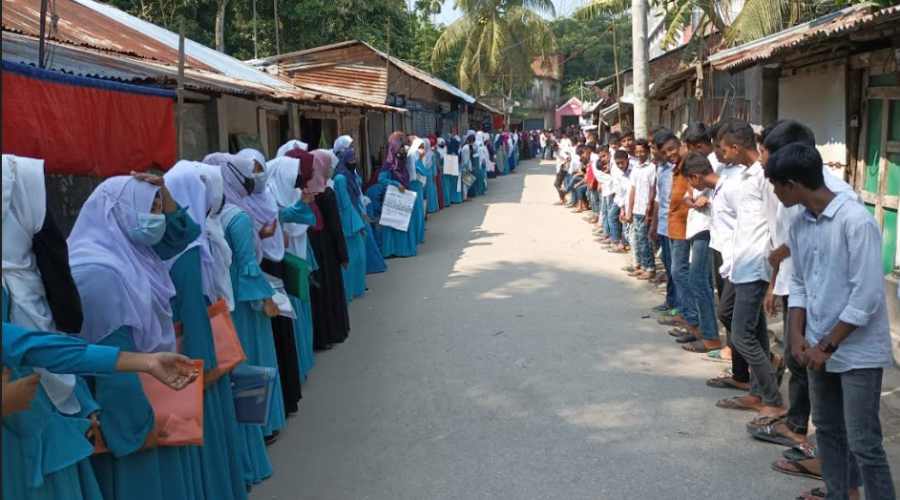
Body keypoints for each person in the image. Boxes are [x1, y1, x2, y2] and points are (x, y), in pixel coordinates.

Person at [767, 143, 896, 500]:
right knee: (827, 432)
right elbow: (802, 284)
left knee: (863, 443)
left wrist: (826, 345)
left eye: (777, 187)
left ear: (793, 184)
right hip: (817, 348)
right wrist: (796, 337)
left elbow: (866, 297)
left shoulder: (855, 222)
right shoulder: (799, 223)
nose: (776, 195)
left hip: (857, 353)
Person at [67, 173, 204, 500]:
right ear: (118, 212)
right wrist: (138, 429)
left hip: (150, 393)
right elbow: (114, 367)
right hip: (127, 417)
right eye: (148, 205)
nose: (156, 214)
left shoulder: (135, 256)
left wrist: (164, 192)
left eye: (159, 205)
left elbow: (183, 234)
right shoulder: (99, 272)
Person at [163, 160, 250, 500]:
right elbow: (194, 310)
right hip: (196, 354)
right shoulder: (188, 252)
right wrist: (205, 365)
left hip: (183, 349)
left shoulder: (193, 238)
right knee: (208, 427)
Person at [203, 152, 278, 483]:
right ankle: (265, 424)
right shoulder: (238, 218)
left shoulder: (205, 221)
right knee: (253, 366)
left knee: (235, 371)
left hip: (219, 310)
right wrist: (268, 300)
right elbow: (249, 268)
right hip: (245, 306)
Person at [713, 121, 784, 417]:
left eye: (725, 148)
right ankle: (758, 390)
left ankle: (771, 397)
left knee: (741, 334)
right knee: (750, 328)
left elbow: (776, 228)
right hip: (741, 261)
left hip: (757, 264)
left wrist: (774, 283)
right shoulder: (744, 175)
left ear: (737, 147)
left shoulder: (765, 178)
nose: (722, 153)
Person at [677, 152, 722, 354]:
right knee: (698, 281)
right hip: (696, 231)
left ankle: (711, 336)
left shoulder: (718, 180)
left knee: (699, 281)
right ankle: (704, 331)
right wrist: (693, 201)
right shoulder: (702, 184)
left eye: (689, 180)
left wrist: (707, 202)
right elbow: (687, 196)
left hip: (706, 232)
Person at [308, 149, 351, 349]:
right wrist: (343, 255)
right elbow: (335, 227)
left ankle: (320, 337)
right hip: (327, 249)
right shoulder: (326, 192)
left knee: (317, 295)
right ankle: (334, 332)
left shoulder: (304, 191)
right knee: (330, 291)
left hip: (311, 249)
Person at [329, 140, 367, 302]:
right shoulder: (340, 178)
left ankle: (357, 289)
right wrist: (357, 221)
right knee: (351, 259)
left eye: (354, 159)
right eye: (350, 160)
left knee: (359, 257)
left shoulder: (350, 175)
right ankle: (349, 292)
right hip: (348, 222)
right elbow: (344, 205)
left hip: (355, 216)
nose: (353, 162)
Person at [649, 129, 680, 318]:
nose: (654, 152)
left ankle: (679, 307)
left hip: (676, 225)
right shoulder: (661, 169)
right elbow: (660, 199)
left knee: (677, 270)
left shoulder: (678, 168)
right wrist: (653, 224)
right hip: (663, 224)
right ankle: (671, 301)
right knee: (669, 266)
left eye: (655, 149)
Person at [377, 132, 421, 257]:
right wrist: (395, 184)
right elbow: (381, 179)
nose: (402, 149)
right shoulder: (388, 164)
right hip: (393, 196)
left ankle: (404, 249)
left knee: (404, 222)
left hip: (404, 194)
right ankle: (392, 250)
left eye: (403, 146)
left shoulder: (402, 161)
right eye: (400, 146)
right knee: (393, 223)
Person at [626, 139, 657, 280]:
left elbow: (652, 189)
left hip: (646, 209)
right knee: (639, 239)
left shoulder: (651, 168)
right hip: (636, 209)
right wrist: (629, 209)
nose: (639, 154)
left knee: (645, 240)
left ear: (648, 152)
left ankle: (650, 268)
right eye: (637, 151)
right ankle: (643, 266)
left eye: (642, 151)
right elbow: (632, 190)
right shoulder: (635, 169)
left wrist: (649, 208)